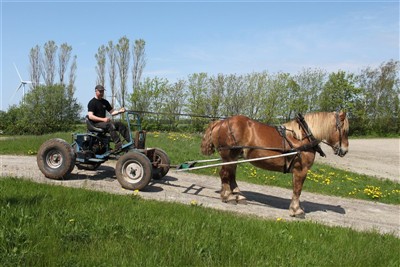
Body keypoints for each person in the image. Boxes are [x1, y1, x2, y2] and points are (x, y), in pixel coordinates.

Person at [87, 85, 130, 150]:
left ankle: (131, 142)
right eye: (100, 91)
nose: (102, 93)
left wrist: (120, 111)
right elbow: (90, 116)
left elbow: (112, 112)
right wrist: (103, 119)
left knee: (119, 124)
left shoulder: (105, 102)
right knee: (109, 125)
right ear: (96, 91)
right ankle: (118, 144)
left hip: (104, 123)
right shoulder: (92, 102)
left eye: (103, 91)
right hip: (95, 124)